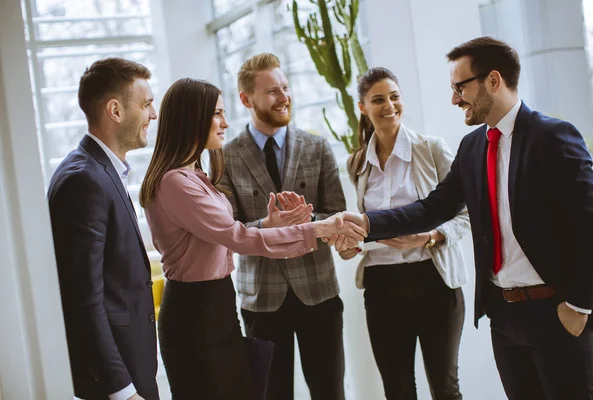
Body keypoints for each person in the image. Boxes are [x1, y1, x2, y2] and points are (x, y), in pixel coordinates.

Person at [340, 37, 593, 399]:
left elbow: (592, 226)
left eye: (460, 87)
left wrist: (579, 305)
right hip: (504, 317)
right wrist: (367, 224)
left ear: (493, 81)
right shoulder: (473, 146)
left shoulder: (553, 137)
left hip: (555, 311)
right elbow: (433, 208)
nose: (454, 99)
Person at [139, 78, 364, 400]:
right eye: (216, 114)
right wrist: (317, 229)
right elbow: (237, 237)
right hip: (195, 311)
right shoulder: (176, 182)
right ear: (193, 117)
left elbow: (219, 233)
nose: (225, 123)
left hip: (216, 303)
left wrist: (270, 224)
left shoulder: (195, 174)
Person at [219, 52, 347, 400]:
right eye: (272, 91)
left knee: (330, 392)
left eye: (286, 87)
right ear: (246, 99)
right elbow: (225, 230)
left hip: (318, 291)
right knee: (271, 395)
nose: (284, 97)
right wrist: (268, 224)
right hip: (262, 298)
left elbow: (336, 214)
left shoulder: (318, 147)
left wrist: (307, 223)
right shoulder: (225, 157)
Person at [338, 67, 470, 400]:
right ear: (363, 107)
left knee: (445, 386)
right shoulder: (356, 164)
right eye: (378, 99)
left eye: (394, 97)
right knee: (396, 390)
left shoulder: (431, 149)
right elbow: (363, 227)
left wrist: (429, 237)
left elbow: (466, 213)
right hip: (382, 286)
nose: (389, 106)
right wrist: (350, 244)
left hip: (434, 281)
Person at [47, 58, 159, 400]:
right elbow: (83, 297)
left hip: (132, 361)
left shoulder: (99, 170)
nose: (153, 115)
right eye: (146, 104)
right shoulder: (84, 180)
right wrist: (122, 390)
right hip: (115, 380)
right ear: (115, 110)